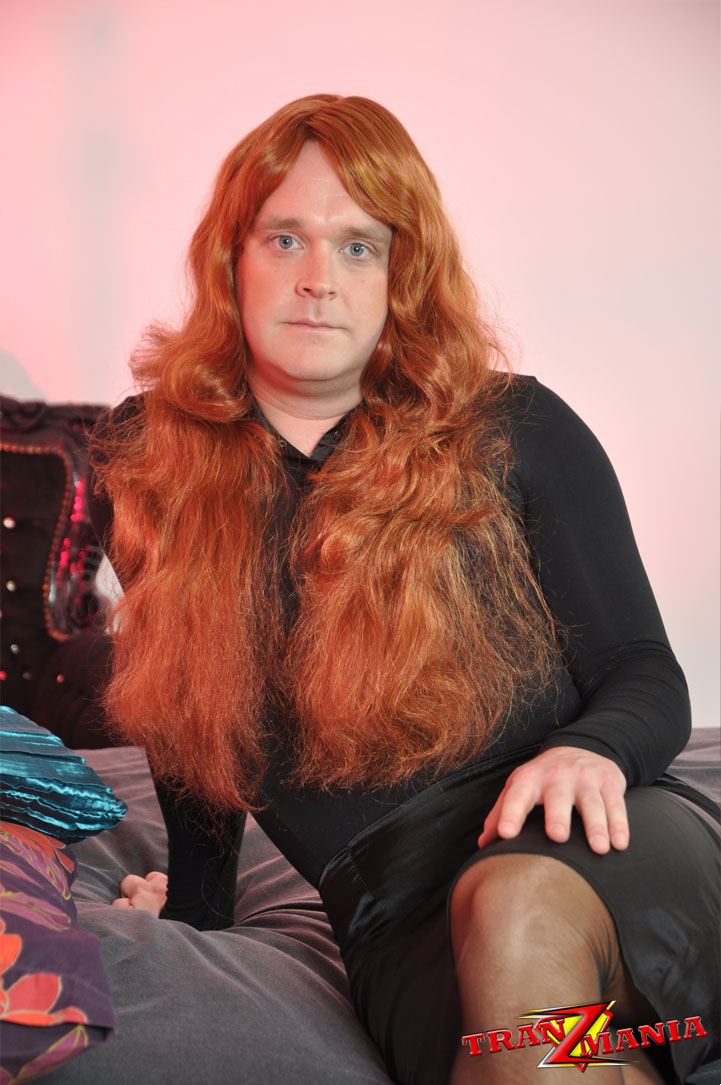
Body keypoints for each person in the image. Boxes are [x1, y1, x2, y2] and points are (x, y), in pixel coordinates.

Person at [89, 94, 719, 1084]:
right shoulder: (148, 457)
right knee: (546, 1049)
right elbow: (191, 711)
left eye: (359, 247)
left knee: (516, 915)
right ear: (230, 260)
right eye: (285, 238)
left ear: (402, 273)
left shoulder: (513, 426)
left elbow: (642, 669)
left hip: (598, 856)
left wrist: (590, 749)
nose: (317, 279)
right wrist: (197, 909)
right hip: (400, 920)